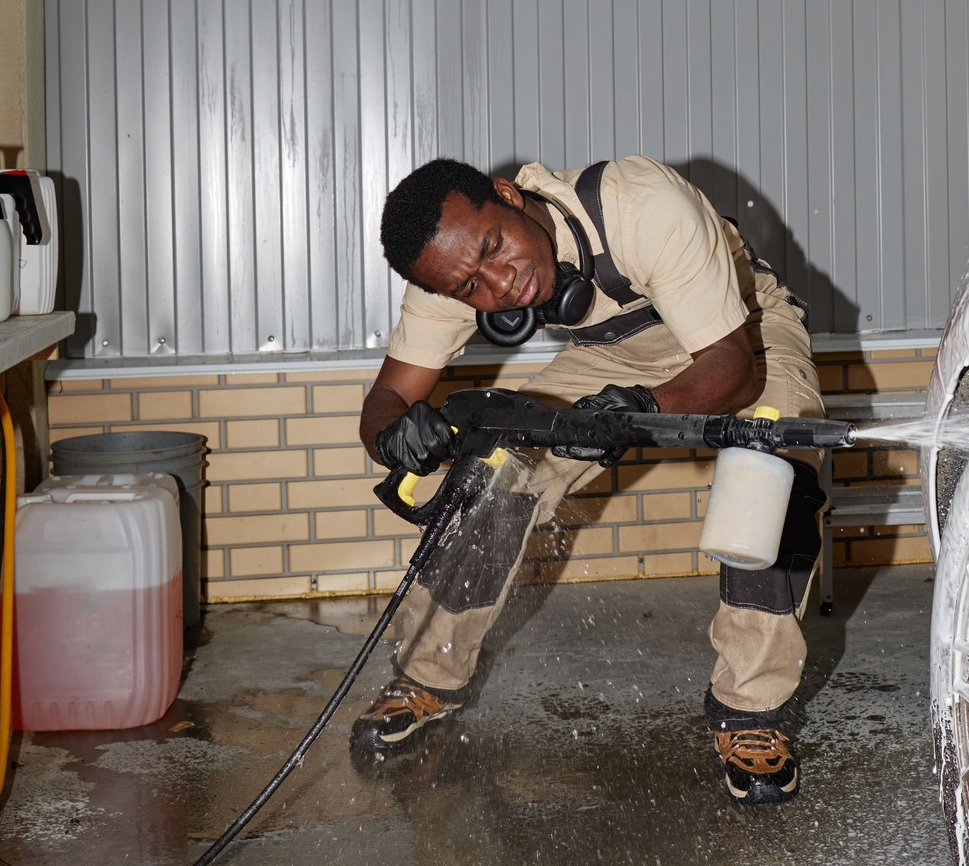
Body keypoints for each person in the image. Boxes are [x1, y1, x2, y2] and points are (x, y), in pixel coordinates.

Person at [349, 154, 827, 806]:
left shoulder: (638, 204)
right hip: (613, 356)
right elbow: (386, 398)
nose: (500, 283)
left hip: (745, 339)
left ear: (507, 196)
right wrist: (392, 435)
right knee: (492, 473)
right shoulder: (448, 270)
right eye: (470, 289)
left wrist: (643, 411)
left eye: (495, 247)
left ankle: (751, 713)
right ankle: (427, 676)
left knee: (771, 480)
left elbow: (731, 369)